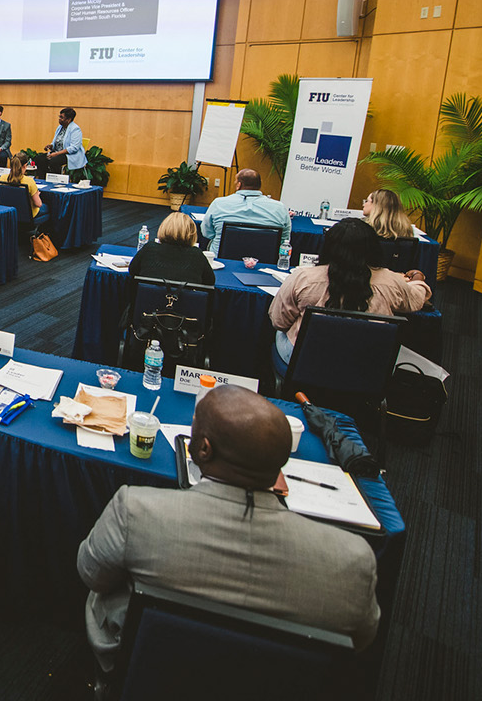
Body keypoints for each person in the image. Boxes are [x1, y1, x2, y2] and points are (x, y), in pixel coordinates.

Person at [77, 385, 380, 671]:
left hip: (149, 674)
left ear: (204, 450)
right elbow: (362, 640)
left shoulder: (135, 511)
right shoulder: (354, 559)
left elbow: (92, 574)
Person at [268, 217, 430, 377]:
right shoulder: (391, 280)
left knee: (280, 333)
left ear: (328, 247)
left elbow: (279, 321)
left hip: (307, 362)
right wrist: (417, 277)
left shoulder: (304, 277)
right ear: (374, 248)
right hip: (367, 365)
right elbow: (415, 301)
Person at [201, 168, 292, 256]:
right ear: (260, 185)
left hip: (223, 261)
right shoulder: (280, 207)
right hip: (265, 263)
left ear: (239, 185)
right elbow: (284, 240)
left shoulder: (218, 203)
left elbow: (207, 233)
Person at [129, 211, 215, 286]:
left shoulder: (150, 248)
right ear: (192, 233)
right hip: (184, 304)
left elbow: (133, 271)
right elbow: (210, 282)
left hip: (146, 303)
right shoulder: (197, 254)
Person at [0, 155, 48, 226]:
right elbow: (38, 204)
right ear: (25, 166)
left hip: (9, 213)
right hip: (27, 215)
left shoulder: (2, 178)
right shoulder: (29, 181)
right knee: (47, 207)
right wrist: (37, 195)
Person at [43, 106, 86, 179]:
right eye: (59, 117)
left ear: (69, 119)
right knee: (40, 159)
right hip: (57, 152)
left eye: (61, 117)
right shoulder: (60, 127)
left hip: (70, 155)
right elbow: (56, 141)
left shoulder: (75, 129)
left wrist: (56, 154)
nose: (59, 119)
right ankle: (43, 180)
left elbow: (74, 148)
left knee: (54, 161)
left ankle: (56, 182)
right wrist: (51, 146)